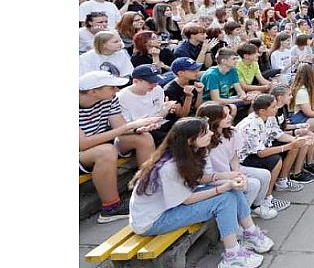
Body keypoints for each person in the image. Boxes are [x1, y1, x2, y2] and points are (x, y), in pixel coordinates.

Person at [128, 118, 274, 268]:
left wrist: (226, 177)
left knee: (231, 191)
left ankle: (250, 233)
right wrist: (223, 187)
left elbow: (198, 179)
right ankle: (232, 256)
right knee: (224, 199)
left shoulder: (189, 152)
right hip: (152, 220)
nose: (211, 133)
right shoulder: (169, 167)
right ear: (191, 140)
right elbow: (187, 200)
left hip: (169, 207)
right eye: (205, 133)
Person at [79, 71, 162, 223]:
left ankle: (146, 190)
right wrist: (129, 127)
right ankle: (110, 208)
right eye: (112, 87)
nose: (117, 90)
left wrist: (138, 128)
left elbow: (120, 127)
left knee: (143, 138)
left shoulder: (110, 99)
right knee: (107, 151)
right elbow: (82, 144)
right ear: (93, 92)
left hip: (102, 144)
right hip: (82, 153)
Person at [198, 103, 278, 220]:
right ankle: (239, 218)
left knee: (264, 174)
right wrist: (233, 177)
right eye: (225, 116)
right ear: (214, 119)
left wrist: (237, 172)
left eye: (229, 114)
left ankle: (256, 206)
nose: (230, 117)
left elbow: (234, 158)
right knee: (253, 184)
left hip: (230, 170)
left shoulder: (232, 132)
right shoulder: (204, 140)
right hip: (214, 177)